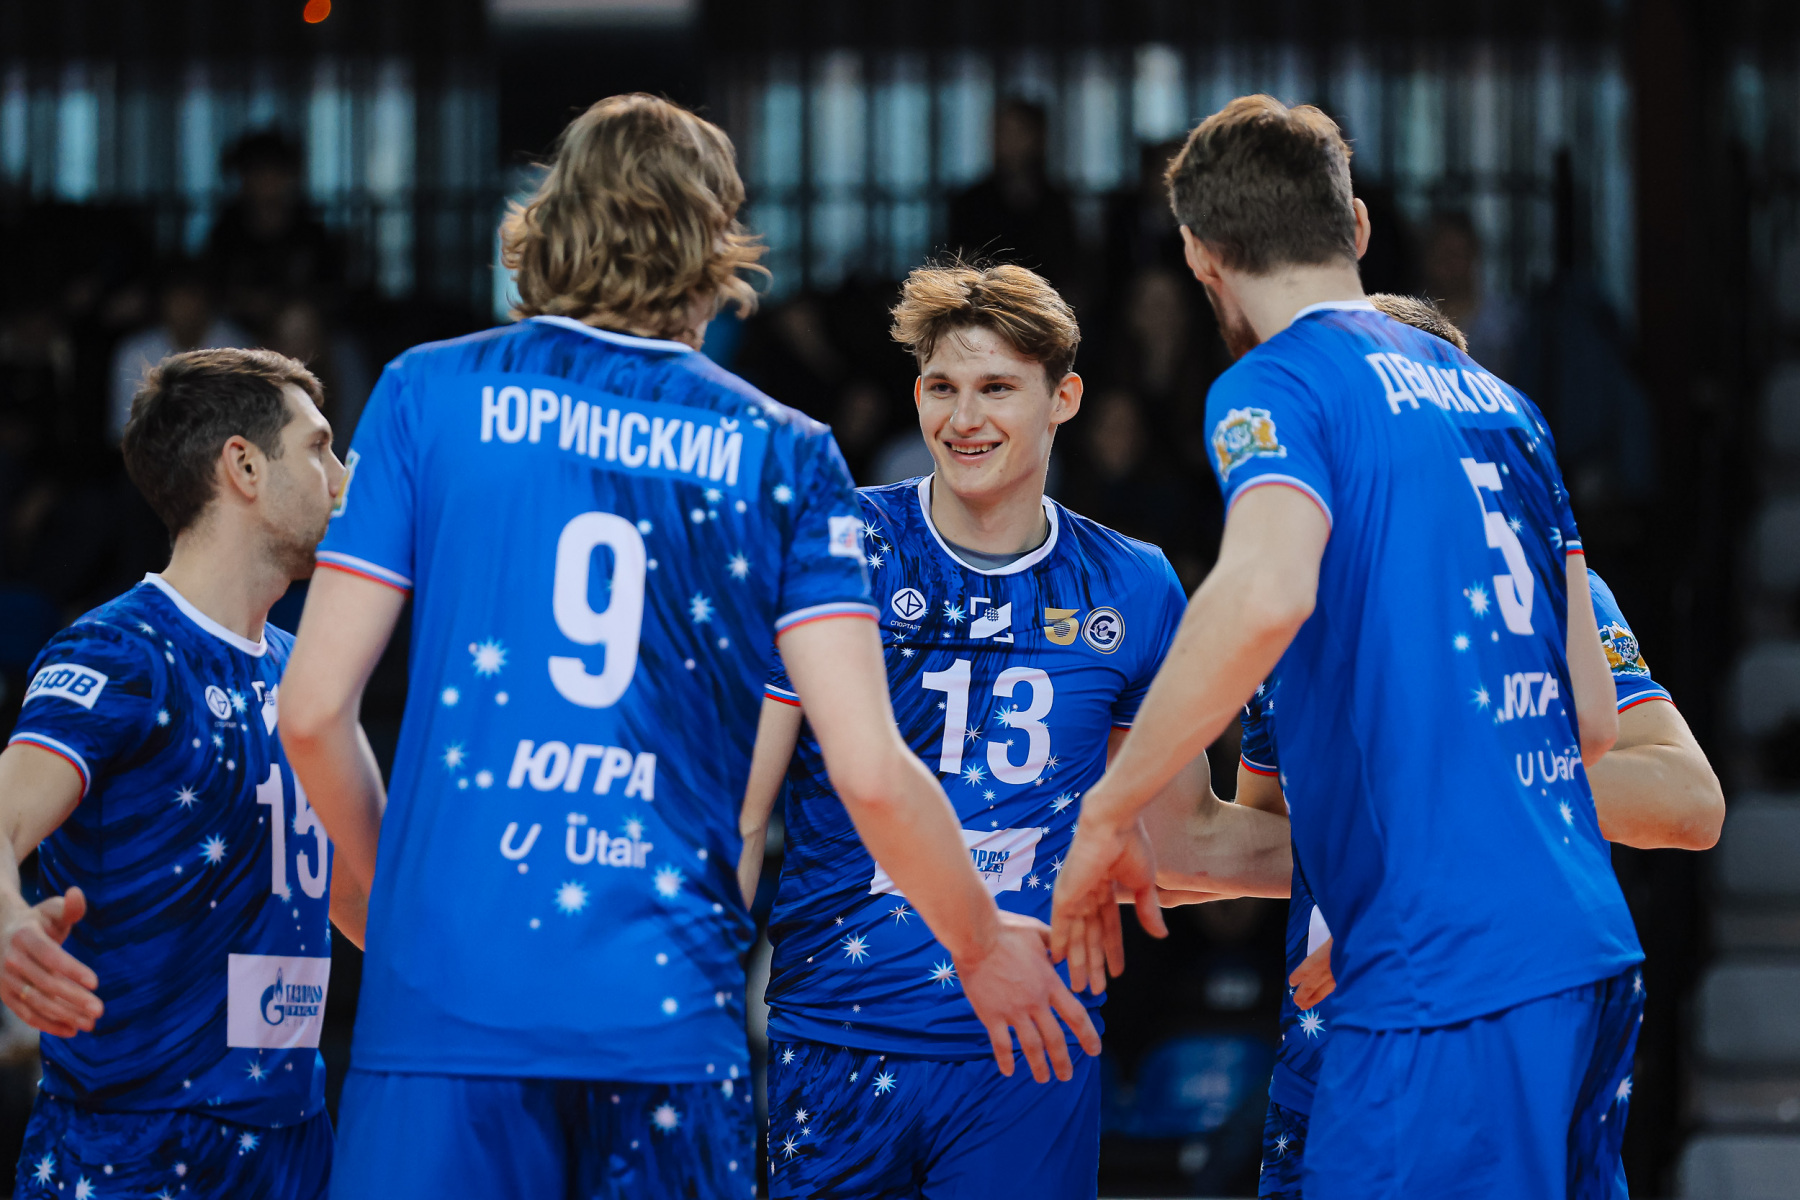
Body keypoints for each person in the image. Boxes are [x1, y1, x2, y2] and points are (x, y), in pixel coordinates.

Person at [276, 95, 1093, 1200]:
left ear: (549, 217)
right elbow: (869, 769)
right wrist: (982, 943)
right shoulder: (785, 450)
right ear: (715, 242)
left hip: (448, 998)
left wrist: (399, 918)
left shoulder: (429, 392)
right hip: (664, 1007)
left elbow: (311, 712)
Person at [1050, 96, 1644, 1198]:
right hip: (1584, 951)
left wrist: (1105, 811)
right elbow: (1591, 716)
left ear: (1201, 255)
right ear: (1359, 226)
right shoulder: (1506, 405)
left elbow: (1265, 591)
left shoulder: (1278, 383)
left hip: (1444, 979)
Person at [737, 261, 1292, 1199]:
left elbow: (1178, 840)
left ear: (1062, 398)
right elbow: (742, 809)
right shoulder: (838, 546)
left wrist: (1388, 865)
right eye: (941, 388)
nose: (965, 418)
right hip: (838, 1033)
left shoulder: (1132, 583)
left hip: (1032, 1044)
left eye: (997, 388)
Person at [1227, 284, 1725, 1200]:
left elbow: (1690, 803)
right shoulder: (1283, 605)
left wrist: (1469, 792)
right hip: (1332, 1059)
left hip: (1497, 1030)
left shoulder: (1545, 589)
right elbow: (1267, 846)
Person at [0, 347, 355, 1199]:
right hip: (137, 1145)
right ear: (243, 466)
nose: (342, 479)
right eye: (318, 448)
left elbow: (358, 901)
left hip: (292, 1135)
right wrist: (7, 918)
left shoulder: (305, 670)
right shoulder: (122, 649)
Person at [107, 261, 249, 442]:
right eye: (176, 298)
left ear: (207, 300)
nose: (184, 308)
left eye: (191, 296)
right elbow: (125, 432)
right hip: (152, 453)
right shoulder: (134, 352)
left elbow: (244, 427)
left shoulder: (238, 349)